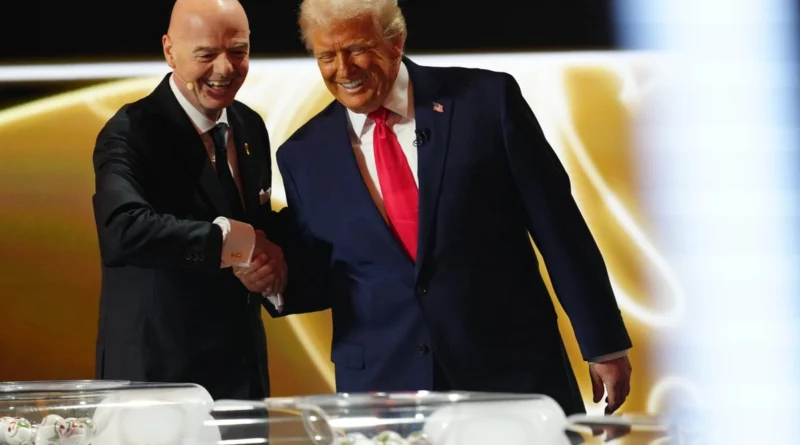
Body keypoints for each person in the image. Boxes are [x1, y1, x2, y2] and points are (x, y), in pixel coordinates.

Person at [242, 0, 633, 416]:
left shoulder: (486, 102)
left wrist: (603, 344)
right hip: (384, 389)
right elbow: (329, 274)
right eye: (326, 56)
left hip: (509, 370)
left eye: (357, 49)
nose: (343, 69)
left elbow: (559, 229)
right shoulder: (303, 155)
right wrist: (275, 281)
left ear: (395, 41)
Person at [91, 0, 289, 401]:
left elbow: (259, 229)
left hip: (241, 379)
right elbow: (122, 229)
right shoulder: (131, 131)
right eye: (206, 54)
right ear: (170, 51)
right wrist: (234, 244)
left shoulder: (250, 125)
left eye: (238, 51)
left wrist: (272, 268)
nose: (225, 68)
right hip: (156, 383)